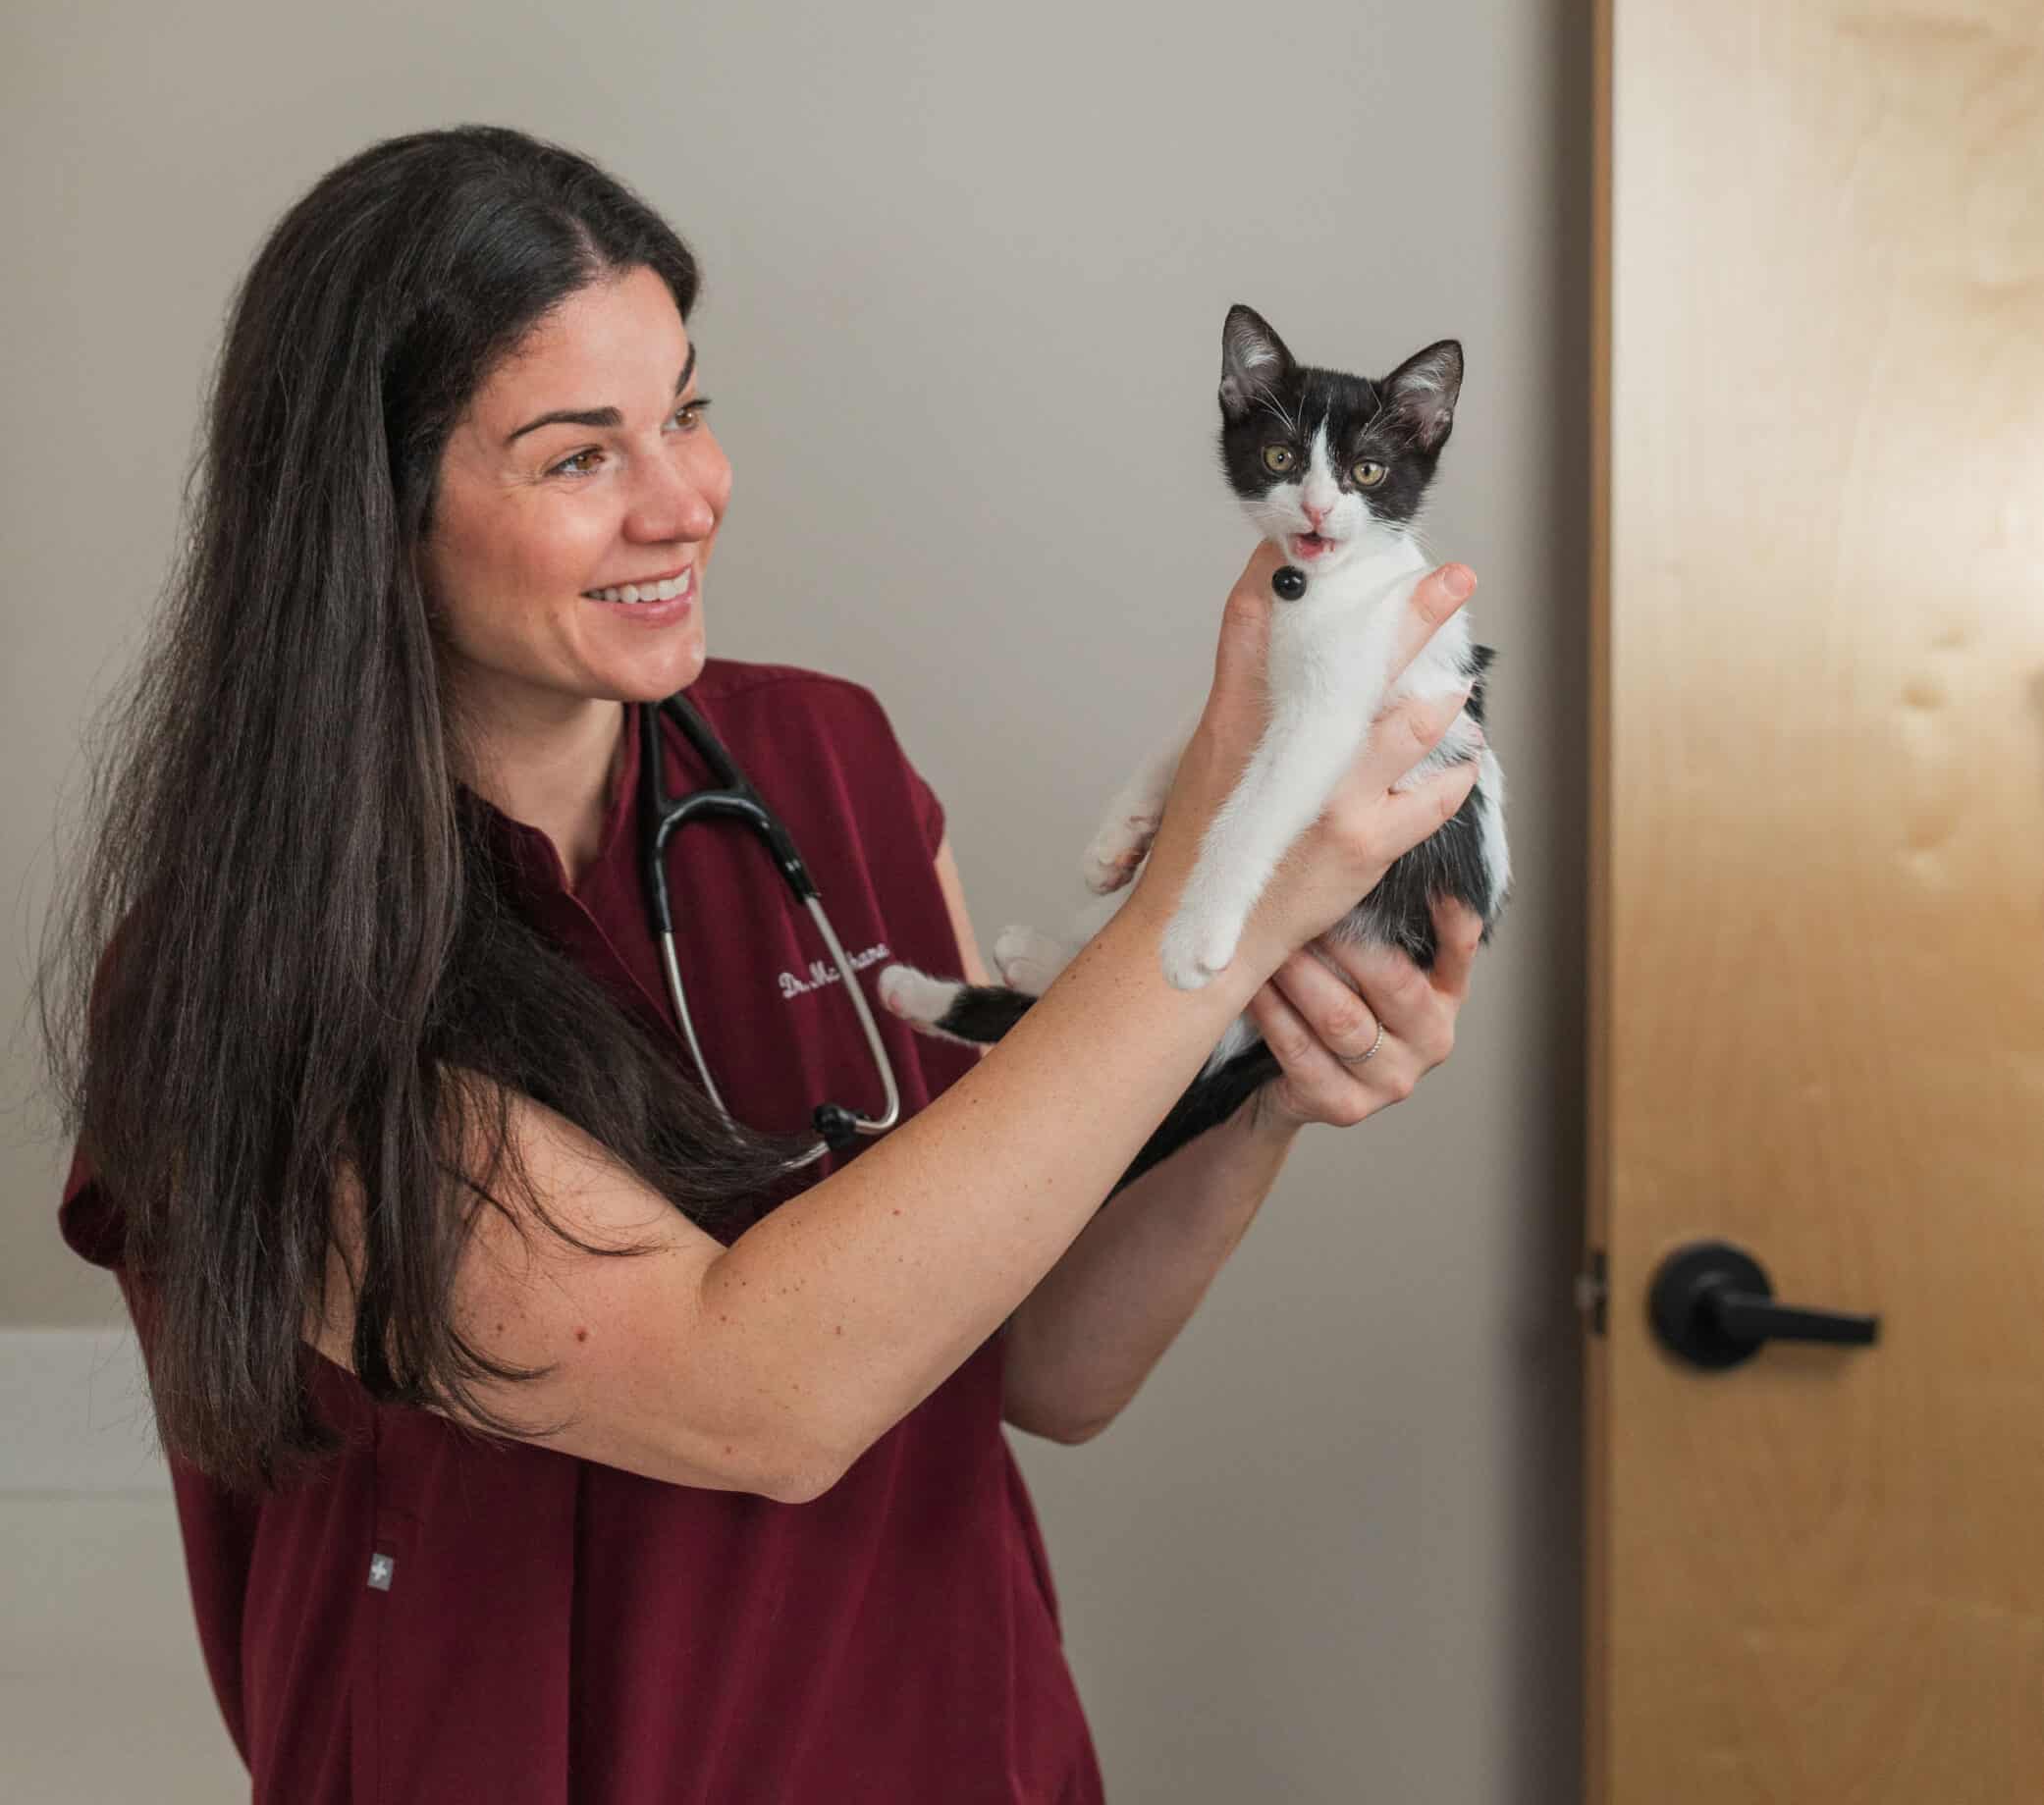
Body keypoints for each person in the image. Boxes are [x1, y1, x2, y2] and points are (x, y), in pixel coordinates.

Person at [41, 124, 1486, 1805]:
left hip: (962, 1750)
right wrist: (1212, 898)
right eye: (581, 455)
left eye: (687, 412)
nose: (684, 499)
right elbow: (759, 1398)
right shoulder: (241, 980)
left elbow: (1040, 1365)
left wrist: (1260, 1071)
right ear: (372, 505)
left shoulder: (827, 761)